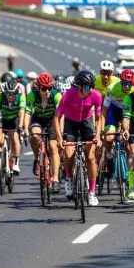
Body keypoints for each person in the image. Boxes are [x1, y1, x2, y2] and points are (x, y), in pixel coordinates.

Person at [54, 70, 104, 206]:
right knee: (69, 154)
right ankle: (69, 177)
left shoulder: (96, 96)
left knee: (91, 157)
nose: (90, 90)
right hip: (71, 123)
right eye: (87, 87)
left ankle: (92, 192)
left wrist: (98, 137)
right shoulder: (68, 95)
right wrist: (59, 138)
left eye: (92, 86)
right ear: (80, 86)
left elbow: (99, 119)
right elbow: (57, 118)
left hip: (87, 123)